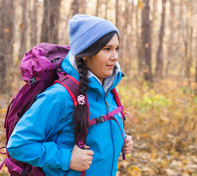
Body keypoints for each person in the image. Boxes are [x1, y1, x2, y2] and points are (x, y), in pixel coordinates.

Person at [7, 14, 134, 176]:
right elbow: (18, 145)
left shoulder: (108, 89)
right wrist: (66, 158)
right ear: (86, 53)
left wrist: (118, 141)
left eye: (116, 49)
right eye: (107, 49)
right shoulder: (60, 96)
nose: (115, 57)